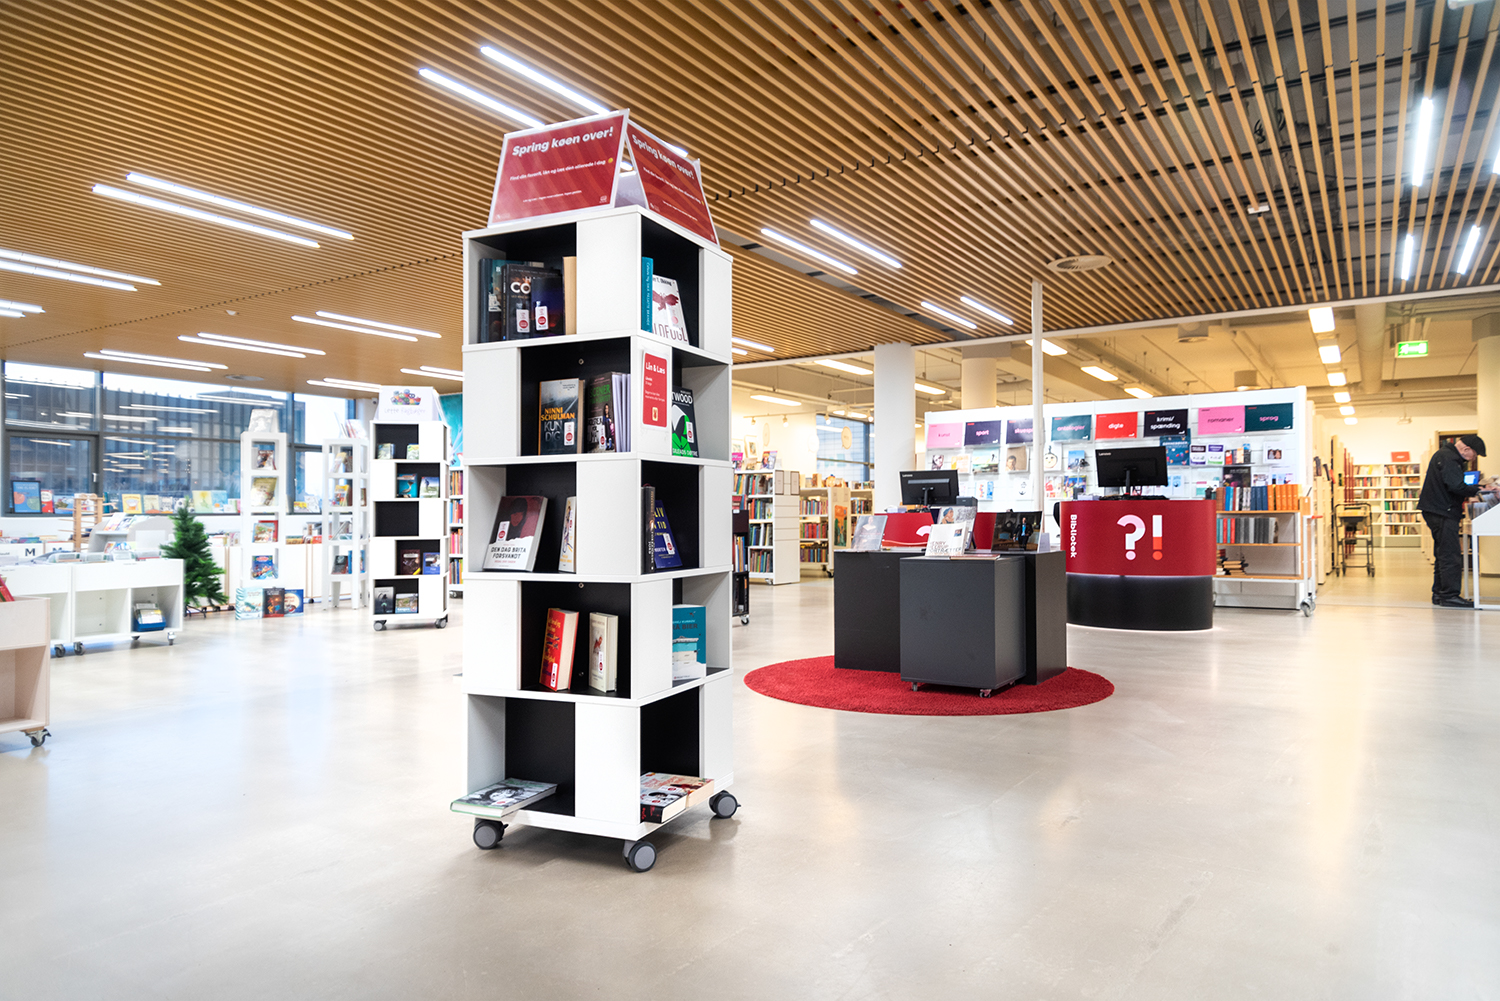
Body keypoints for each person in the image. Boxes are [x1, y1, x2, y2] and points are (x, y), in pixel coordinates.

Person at [1418, 434, 1496, 607]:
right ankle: (1449, 595)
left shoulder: (1445, 455)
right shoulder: (1450, 458)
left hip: (1436, 511)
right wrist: (1480, 490)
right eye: (1475, 454)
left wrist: (1477, 488)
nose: (1474, 458)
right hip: (1443, 512)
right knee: (1450, 554)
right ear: (1466, 449)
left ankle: (1439, 594)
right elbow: (1456, 486)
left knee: (1442, 554)